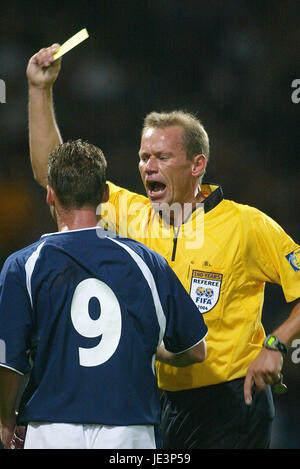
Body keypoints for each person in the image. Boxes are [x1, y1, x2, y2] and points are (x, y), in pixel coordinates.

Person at [26, 45, 300, 449]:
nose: (147, 166)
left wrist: (276, 346)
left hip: (229, 403)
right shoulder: (132, 214)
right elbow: (54, 172)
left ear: (196, 165)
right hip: (158, 401)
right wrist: (38, 90)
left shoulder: (246, 225)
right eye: (143, 157)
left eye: (161, 157)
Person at [0, 139, 208, 450]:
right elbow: (196, 350)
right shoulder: (148, 263)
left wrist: (5, 420)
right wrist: (151, 349)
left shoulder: (23, 266)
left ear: (50, 195)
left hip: (51, 429)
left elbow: (8, 361)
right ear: (105, 195)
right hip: (131, 429)